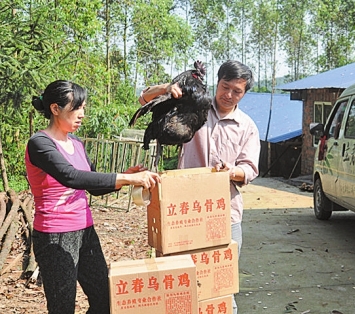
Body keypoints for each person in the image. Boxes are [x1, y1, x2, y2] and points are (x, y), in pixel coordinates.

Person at [25, 80, 160, 314]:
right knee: (62, 307)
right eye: (76, 108)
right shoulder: (40, 144)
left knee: (105, 300)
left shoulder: (76, 143)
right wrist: (126, 179)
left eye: (84, 108)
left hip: (85, 231)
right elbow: (71, 177)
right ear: (55, 109)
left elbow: (93, 185)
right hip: (55, 235)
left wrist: (123, 178)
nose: (82, 114)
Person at [139, 60, 260, 314]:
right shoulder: (193, 106)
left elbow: (249, 169)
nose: (228, 95)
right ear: (216, 83)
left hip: (226, 214)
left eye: (236, 91)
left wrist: (233, 172)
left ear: (245, 93)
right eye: (225, 87)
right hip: (185, 213)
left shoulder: (247, 126)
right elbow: (144, 99)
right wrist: (166, 88)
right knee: (180, 285)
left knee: (221, 288)